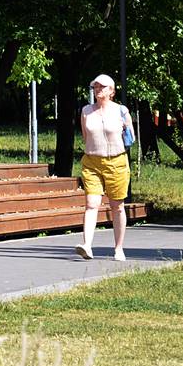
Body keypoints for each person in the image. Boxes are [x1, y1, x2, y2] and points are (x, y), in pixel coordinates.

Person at [75, 73, 134, 261]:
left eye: (102, 87)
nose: (98, 89)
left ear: (112, 91)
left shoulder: (121, 111)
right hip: (92, 162)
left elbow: (130, 137)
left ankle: (118, 248)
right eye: (95, 87)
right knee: (91, 204)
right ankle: (87, 245)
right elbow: (86, 137)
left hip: (116, 161)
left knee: (117, 206)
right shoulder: (86, 111)